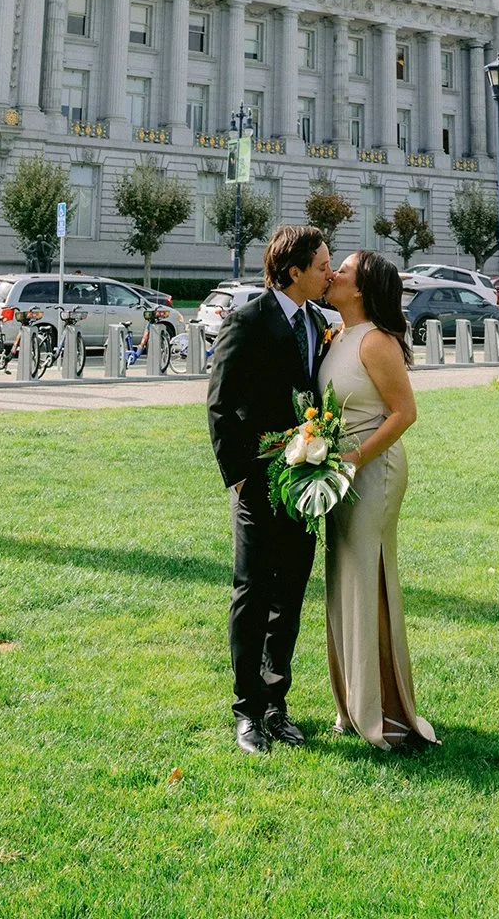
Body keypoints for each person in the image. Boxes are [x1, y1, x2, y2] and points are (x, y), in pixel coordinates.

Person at [206, 223, 333, 756]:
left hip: (306, 482)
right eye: (323, 265)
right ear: (293, 271)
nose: (330, 272)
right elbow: (219, 403)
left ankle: (277, 702)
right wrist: (238, 476)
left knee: (291, 596)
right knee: (253, 594)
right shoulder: (247, 322)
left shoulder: (319, 321)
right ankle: (247, 711)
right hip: (259, 482)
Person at [320, 249, 437, 752]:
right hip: (338, 473)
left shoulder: (376, 341)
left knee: (368, 579)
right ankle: (353, 701)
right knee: (343, 580)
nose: (332, 274)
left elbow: (404, 412)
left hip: (373, 473)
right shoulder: (339, 335)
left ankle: (384, 709)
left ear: (362, 288)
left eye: (342, 270)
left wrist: (356, 458)